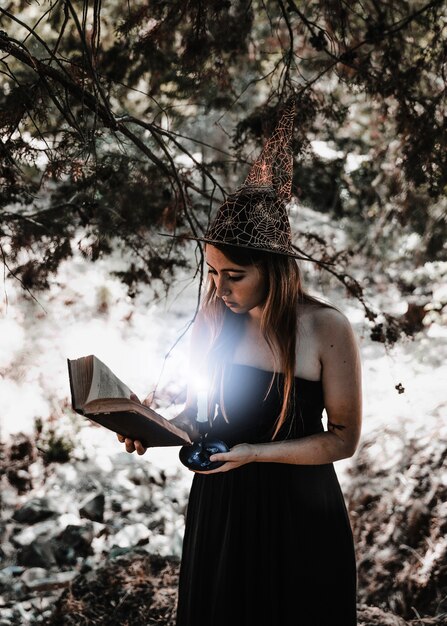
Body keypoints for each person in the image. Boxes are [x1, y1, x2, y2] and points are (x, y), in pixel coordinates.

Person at [118, 99, 362, 626]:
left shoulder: (326, 328)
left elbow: (343, 439)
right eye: (212, 272)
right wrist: (152, 426)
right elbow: (201, 414)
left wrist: (255, 452)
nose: (219, 288)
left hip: (298, 513)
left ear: (273, 269)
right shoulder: (216, 319)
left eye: (235, 275)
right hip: (222, 509)